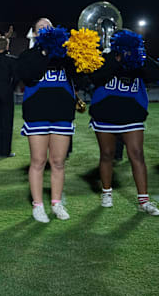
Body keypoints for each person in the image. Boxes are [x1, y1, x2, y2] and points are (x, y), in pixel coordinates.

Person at [88, 29, 159, 215]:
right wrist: (116, 60)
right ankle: (106, 192)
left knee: (137, 154)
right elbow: (96, 77)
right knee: (107, 154)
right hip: (106, 113)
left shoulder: (139, 57)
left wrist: (138, 57)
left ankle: (144, 201)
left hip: (131, 114)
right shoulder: (107, 57)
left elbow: (155, 73)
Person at [16, 18, 73, 223]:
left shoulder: (66, 54)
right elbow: (28, 76)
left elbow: (81, 75)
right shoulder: (28, 55)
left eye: (49, 27)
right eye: (41, 28)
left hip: (62, 113)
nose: (45, 30)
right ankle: (38, 206)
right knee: (38, 161)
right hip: (37, 113)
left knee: (58, 162)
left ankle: (56, 203)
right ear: (34, 33)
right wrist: (44, 52)